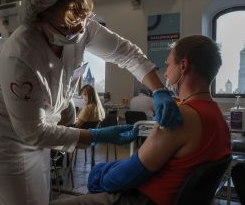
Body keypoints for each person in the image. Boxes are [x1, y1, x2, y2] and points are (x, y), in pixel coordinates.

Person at [0, 0, 181, 205]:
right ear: (38, 19)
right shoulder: (20, 55)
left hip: (39, 128)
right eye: (68, 26)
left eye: (83, 19)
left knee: (37, 195)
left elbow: (127, 54)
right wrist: (96, 135)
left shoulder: (81, 26)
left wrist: (160, 90)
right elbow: (32, 131)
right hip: (3, 136)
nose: (79, 30)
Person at [51, 35, 232, 205]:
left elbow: (125, 175)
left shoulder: (179, 116)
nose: (166, 74)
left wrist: (98, 175)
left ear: (183, 66)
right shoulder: (219, 118)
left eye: (168, 65)